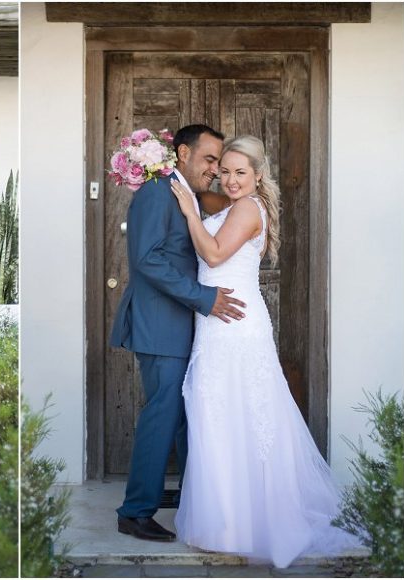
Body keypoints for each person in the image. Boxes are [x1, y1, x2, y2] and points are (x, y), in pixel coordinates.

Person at [170, 135, 360, 567]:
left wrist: (189, 213)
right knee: (221, 414)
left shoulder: (247, 208)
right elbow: (206, 203)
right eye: (225, 171)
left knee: (233, 414)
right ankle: (226, 523)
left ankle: (241, 524)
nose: (231, 180)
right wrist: (178, 184)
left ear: (258, 176)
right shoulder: (233, 204)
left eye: (241, 172)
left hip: (234, 327)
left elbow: (214, 254)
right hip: (218, 324)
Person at [109, 125, 246, 542]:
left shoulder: (184, 193)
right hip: (160, 326)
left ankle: (191, 498)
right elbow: (148, 260)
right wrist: (204, 297)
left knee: (186, 418)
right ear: (183, 153)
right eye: (210, 159)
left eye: (219, 162)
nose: (215, 170)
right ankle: (135, 512)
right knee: (163, 415)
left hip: (180, 326)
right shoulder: (157, 191)